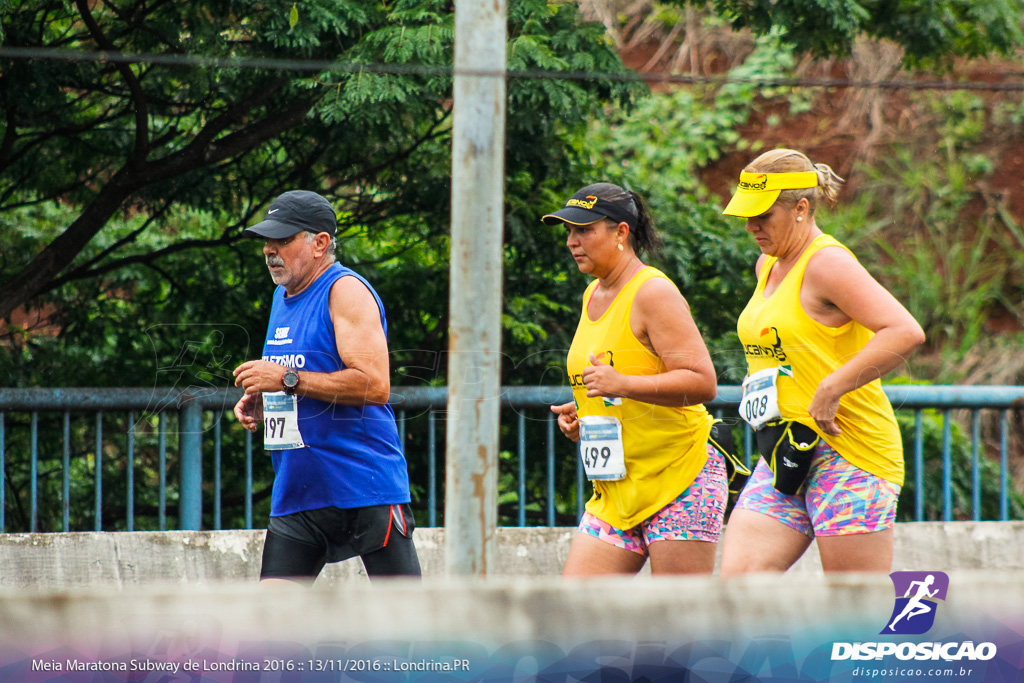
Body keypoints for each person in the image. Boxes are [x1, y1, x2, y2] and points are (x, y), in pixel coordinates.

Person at [719, 149, 925, 575]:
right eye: (747, 215)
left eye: (763, 215)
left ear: (800, 208)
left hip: (850, 453)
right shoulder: (767, 265)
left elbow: (904, 331)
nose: (751, 226)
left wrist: (831, 389)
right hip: (787, 450)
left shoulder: (827, 263)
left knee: (853, 612)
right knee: (738, 587)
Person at [232, 189, 421, 584]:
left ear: (320, 243)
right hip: (298, 492)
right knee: (270, 626)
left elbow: (375, 384)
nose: (270, 250)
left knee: (407, 625)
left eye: (283, 240)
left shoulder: (345, 290)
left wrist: (285, 379)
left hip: (363, 487)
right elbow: (299, 378)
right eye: (267, 241)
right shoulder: (281, 298)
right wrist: (264, 401)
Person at [544, 183, 726, 576]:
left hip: (679, 480)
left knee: (681, 627)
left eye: (584, 230)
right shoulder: (592, 293)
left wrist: (622, 385)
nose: (572, 242)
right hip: (616, 490)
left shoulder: (653, 292)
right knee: (574, 616)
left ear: (621, 232)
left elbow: (702, 382)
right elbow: (623, 375)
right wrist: (586, 411)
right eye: (568, 232)